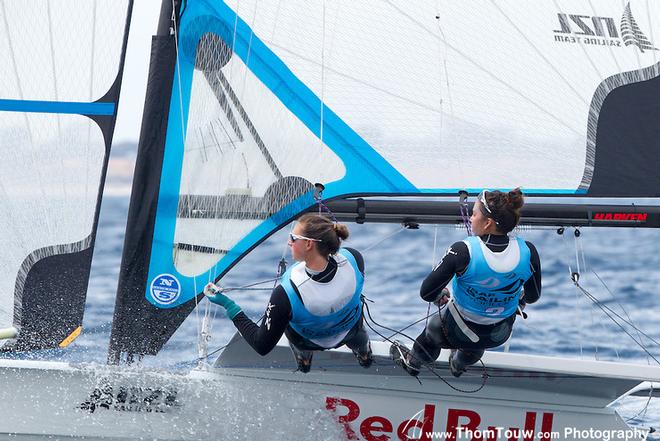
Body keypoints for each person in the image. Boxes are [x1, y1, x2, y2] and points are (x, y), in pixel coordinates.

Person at [391, 188, 541, 377]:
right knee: (477, 339)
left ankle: (414, 362)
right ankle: (459, 364)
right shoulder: (528, 251)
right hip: (498, 335)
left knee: (434, 330)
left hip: (456, 331)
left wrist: (440, 295)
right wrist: (508, 295)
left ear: (487, 223)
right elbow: (533, 296)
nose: (470, 218)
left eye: (474, 213)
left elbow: (427, 293)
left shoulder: (463, 250)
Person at [205, 213, 372, 373]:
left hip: (307, 341)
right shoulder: (354, 259)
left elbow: (261, 345)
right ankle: (364, 355)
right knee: (356, 323)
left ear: (309, 244)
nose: (288, 242)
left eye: (293, 237)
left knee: (288, 318)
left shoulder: (286, 293)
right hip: (352, 331)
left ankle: (304, 360)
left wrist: (228, 305)